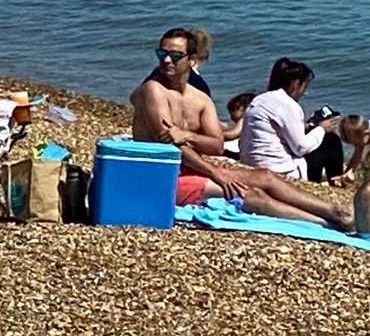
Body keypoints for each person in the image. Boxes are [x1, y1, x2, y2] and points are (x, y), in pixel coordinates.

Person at [130, 28, 352, 229]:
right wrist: (215, 172)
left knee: (265, 176)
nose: (167, 60)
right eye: (162, 54)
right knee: (248, 193)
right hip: (161, 177)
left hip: (191, 169)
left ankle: (334, 211)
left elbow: (216, 145)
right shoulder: (153, 90)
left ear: (191, 60)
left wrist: (187, 135)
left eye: (175, 56)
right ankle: (326, 223)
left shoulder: (200, 99)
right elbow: (173, 147)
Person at [239, 57, 341, 181]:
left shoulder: (260, 100)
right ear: (296, 84)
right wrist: (322, 128)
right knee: (330, 140)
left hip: (250, 164)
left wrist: (308, 127)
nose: (305, 93)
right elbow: (300, 148)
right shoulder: (287, 104)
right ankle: (335, 182)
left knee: (318, 137)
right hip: (277, 169)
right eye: (305, 87)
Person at [222, 91, 256, 156]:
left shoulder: (244, 119)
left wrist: (215, 136)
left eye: (232, 112)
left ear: (242, 108)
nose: (231, 117)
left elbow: (233, 134)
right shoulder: (254, 120)